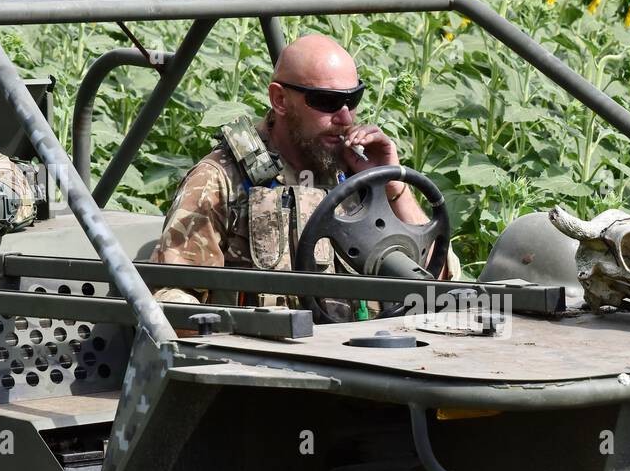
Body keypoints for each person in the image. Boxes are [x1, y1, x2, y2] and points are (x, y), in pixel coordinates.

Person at [149, 33, 454, 314]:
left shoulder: (364, 177)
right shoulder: (220, 180)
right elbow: (171, 296)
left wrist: (391, 183)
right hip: (265, 360)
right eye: (326, 102)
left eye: (353, 99)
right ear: (280, 100)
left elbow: (437, 285)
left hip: (369, 354)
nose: (345, 116)